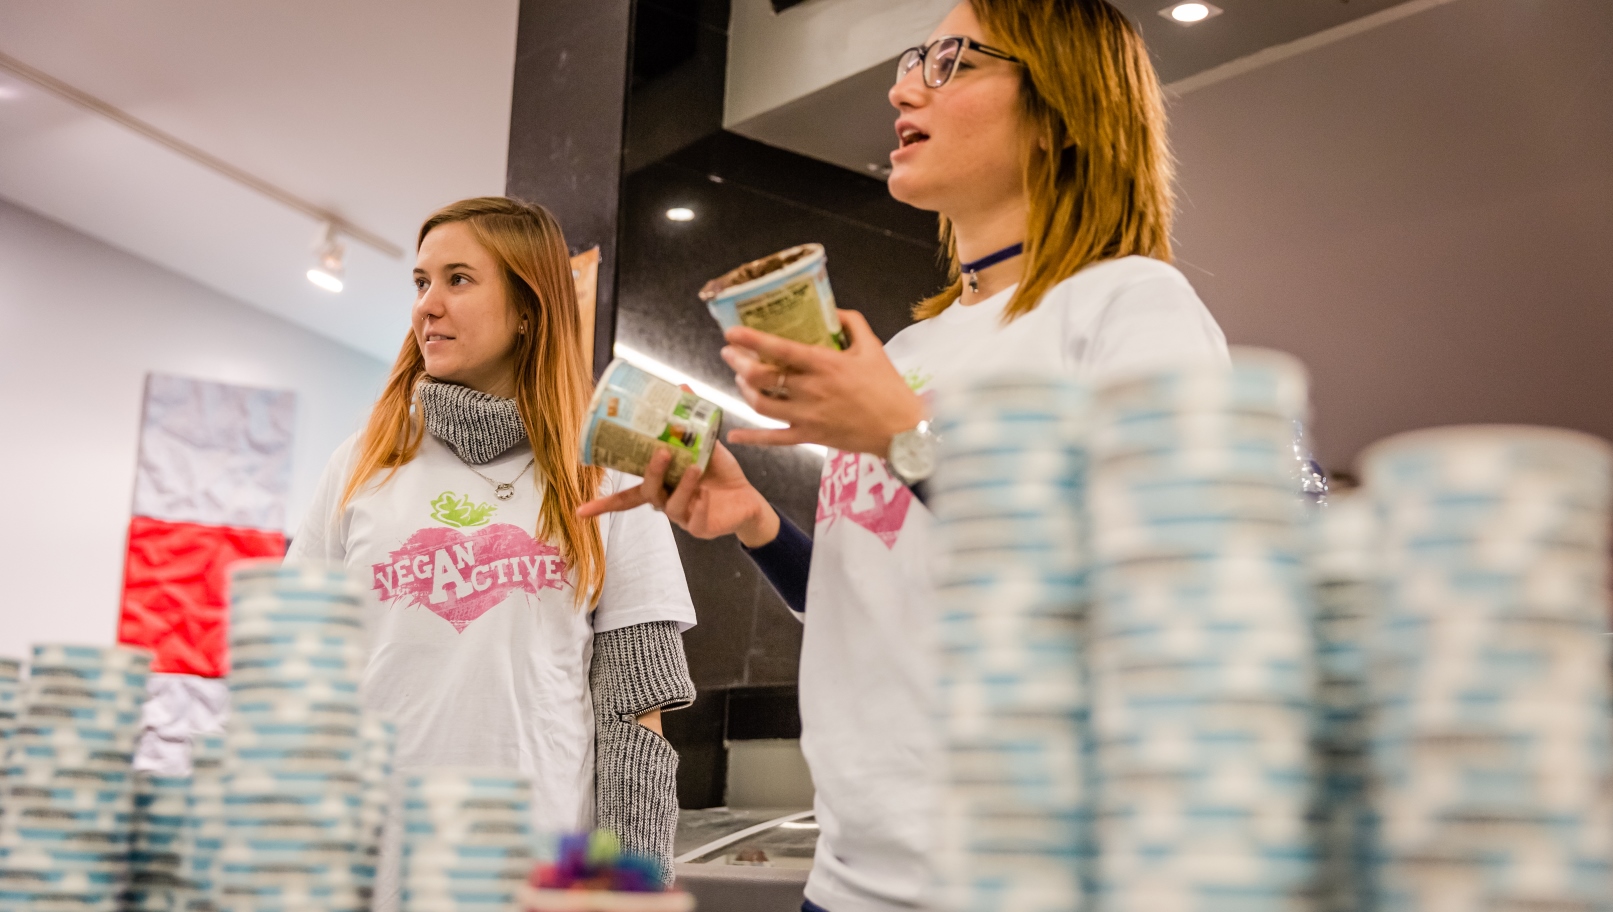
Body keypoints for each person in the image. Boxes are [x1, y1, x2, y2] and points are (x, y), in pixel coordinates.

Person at [582, 1, 1230, 910]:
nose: (901, 86)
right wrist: (759, 526)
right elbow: (876, 605)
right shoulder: (915, 348)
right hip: (850, 881)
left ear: (1061, 112)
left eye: (953, 60)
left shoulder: (1131, 306)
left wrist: (905, 440)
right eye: (914, 56)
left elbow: (1165, 608)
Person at [289, 197, 698, 902]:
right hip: (369, 871)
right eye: (421, 282)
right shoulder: (362, 463)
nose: (428, 305)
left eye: (458, 279)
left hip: (539, 878)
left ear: (528, 307)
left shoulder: (609, 472)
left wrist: (635, 888)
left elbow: (634, 711)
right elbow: (297, 679)